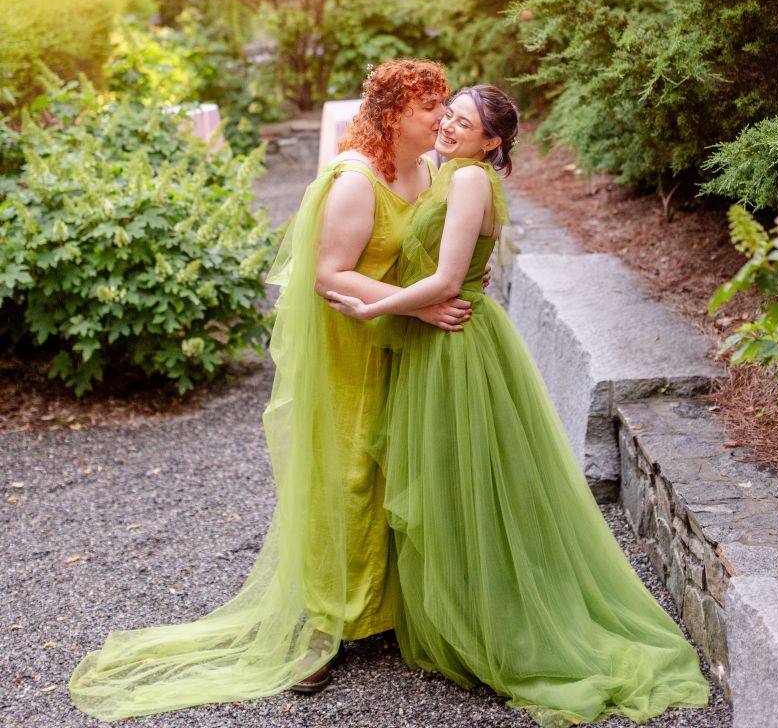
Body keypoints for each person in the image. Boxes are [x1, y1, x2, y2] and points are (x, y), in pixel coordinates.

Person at [69, 58, 470, 721]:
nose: (443, 116)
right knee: (344, 478)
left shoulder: (429, 172)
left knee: (402, 471)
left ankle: (390, 608)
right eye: (431, 106)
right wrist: (415, 305)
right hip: (353, 348)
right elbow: (326, 276)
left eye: (445, 103)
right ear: (395, 114)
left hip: (409, 347)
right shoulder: (352, 182)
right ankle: (323, 623)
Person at [325, 85, 711, 727]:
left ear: (491, 142)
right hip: (435, 341)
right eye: (446, 115)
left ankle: (494, 622)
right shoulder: (447, 175)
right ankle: (457, 608)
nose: (449, 126)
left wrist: (375, 305)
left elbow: (448, 281)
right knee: (448, 481)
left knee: (470, 482)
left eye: (464, 122)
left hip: (455, 344)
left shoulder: (471, 180)